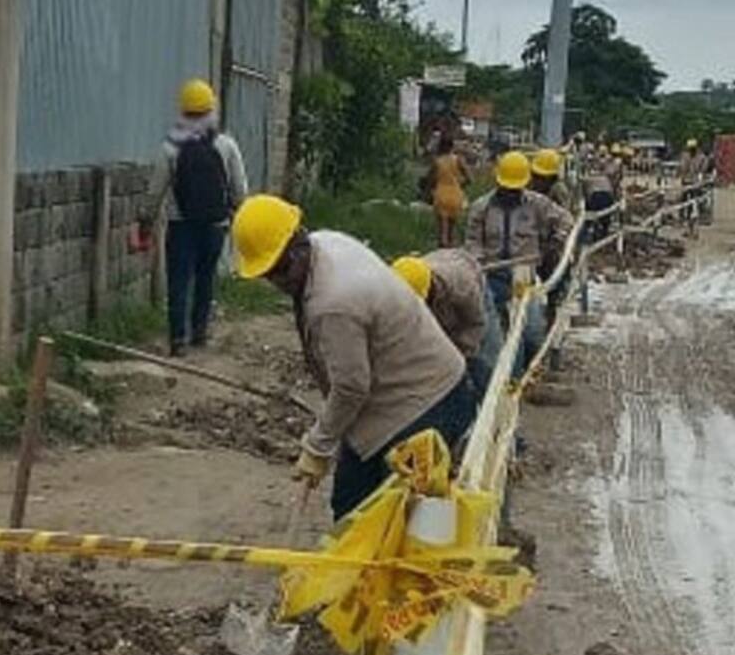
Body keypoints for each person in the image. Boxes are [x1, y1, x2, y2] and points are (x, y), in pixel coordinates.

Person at [231, 195, 474, 522]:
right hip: (406, 396)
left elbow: (350, 387)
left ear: (299, 241)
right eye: (269, 274)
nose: (279, 281)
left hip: (426, 405)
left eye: (283, 269)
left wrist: (317, 446)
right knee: (351, 505)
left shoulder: (333, 302)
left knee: (401, 520)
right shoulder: (325, 242)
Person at [147, 79, 248, 357]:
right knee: (205, 278)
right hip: (216, 225)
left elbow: (155, 189)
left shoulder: (170, 147)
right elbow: (240, 189)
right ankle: (200, 333)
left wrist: (145, 220)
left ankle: (177, 339)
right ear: (211, 109)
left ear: (183, 111)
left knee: (179, 280)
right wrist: (238, 213)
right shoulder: (226, 145)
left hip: (181, 225)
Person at [465, 152, 574, 374]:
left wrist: (555, 241)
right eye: (507, 188)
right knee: (491, 336)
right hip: (490, 277)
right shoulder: (481, 207)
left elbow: (566, 219)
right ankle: (503, 381)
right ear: (498, 181)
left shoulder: (537, 204)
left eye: (515, 188)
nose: (511, 193)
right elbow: (473, 243)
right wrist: (478, 263)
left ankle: (528, 371)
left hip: (523, 275)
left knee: (532, 333)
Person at [392, 252, 501, 403]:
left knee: (485, 359)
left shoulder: (461, 285)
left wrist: (462, 358)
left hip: (474, 295)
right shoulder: (397, 286)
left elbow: (475, 324)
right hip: (441, 292)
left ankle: (491, 404)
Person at [424, 135, 471, 248]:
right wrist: (460, 186)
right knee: (451, 230)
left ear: (440, 146)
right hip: (455, 195)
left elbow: (429, 181)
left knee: (442, 231)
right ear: (452, 147)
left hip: (441, 195)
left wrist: (428, 193)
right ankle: (450, 249)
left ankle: (442, 249)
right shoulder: (458, 160)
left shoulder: (437, 162)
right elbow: (469, 178)